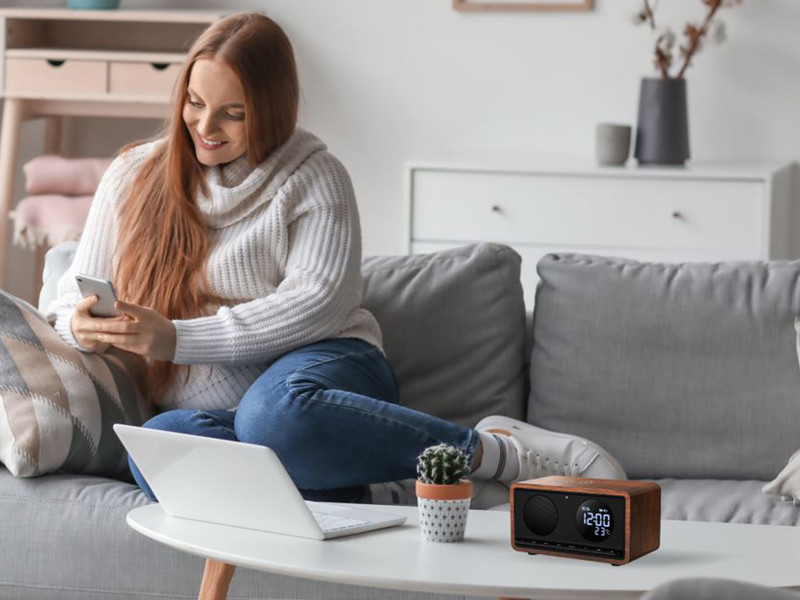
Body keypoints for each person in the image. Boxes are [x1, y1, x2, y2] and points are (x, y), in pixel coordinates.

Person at [46, 12, 626, 504]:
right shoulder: (133, 175)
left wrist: (177, 339)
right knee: (161, 445)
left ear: (270, 108)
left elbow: (316, 305)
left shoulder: (314, 178)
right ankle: (356, 484)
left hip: (325, 367)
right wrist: (81, 321)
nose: (205, 127)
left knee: (275, 419)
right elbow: (74, 291)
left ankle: (494, 452)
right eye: (195, 104)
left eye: (233, 112)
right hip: (225, 413)